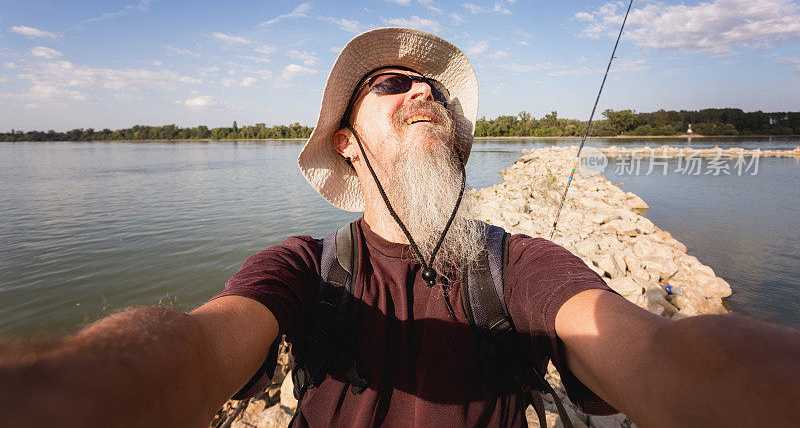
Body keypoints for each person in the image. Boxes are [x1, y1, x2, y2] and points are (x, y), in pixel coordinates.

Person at [1, 27, 799, 428]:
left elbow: (655, 353)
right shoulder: (306, 269)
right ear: (345, 140)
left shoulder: (516, 266)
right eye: (393, 83)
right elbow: (195, 346)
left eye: (435, 91)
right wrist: (55, 388)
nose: (424, 92)